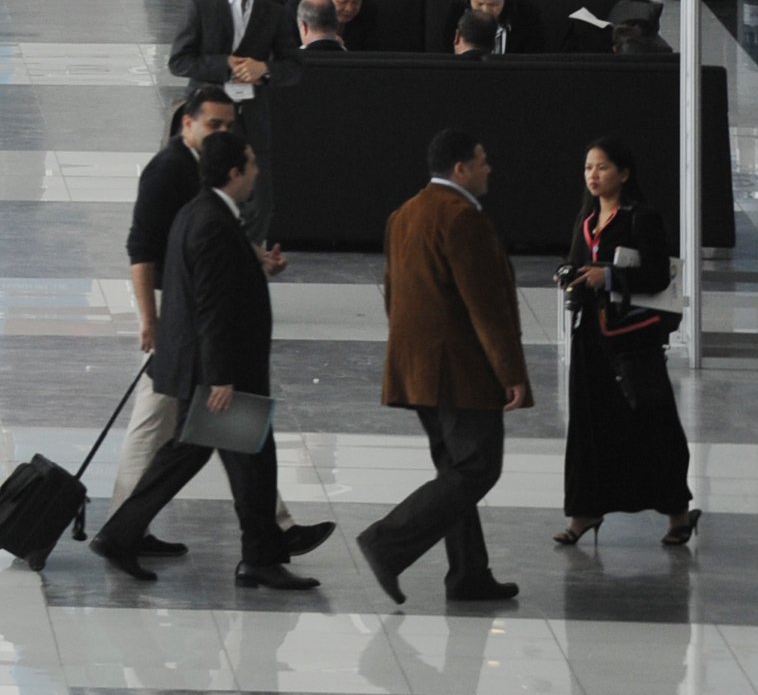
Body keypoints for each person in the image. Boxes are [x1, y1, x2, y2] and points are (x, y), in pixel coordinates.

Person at [90, 131, 331, 590]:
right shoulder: (213, 222)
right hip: (221, 372)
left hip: (210, 367)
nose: (258, 172)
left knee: (234, 459)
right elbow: (211, 306)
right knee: (214, 457)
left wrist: (256, 265)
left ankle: (254, 556)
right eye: (252, 164)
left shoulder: (202, 212)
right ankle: (128, 535)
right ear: (234, 173)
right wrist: (221, 377)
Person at [110, 88, 294, 553]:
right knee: (164, 426)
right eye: (213, 125)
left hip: (191, 319)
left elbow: (217, 238)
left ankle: (272, 531)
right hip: (181, 322)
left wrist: (256, 259)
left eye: (228, 126)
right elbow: (141, 249)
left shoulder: (207, 178)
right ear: (186, 124)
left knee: (215, 435)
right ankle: (122, 525)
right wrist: (149, 321)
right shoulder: (168, 171)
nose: (222, 133)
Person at [355, 129, 531, 607]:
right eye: (482, 160)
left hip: (416, 367)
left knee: (454, 470)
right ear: (460, 169)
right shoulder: (461, 218)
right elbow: (485, 305)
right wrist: (510, 370)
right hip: (461, 371)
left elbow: (394, 293)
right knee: (476, 469)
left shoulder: (405, 213)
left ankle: (469, 574)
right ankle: (387, 543)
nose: (488, 168)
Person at [555, 136, 698, 547]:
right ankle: (584, 513)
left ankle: (677, 513)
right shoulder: (586, 220)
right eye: (588, 168)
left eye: (601, 167)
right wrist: (570, 273)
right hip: (590, 337)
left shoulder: (641, 218)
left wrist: (611, 277)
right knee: (588, 424)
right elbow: (575, 260)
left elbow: (657, 275)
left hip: (632, 340)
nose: (593, 175)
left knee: (652, 422)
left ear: (624, 173)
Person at [167, 0, 297, 249]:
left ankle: (248, 260)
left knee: (261, 204)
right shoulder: (201, 6)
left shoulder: (274, 10)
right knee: (203, 196)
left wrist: (264, 69)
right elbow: (179, 61)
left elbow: (293, 67)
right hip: (208, 119)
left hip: (252, 118)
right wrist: (224, 64)